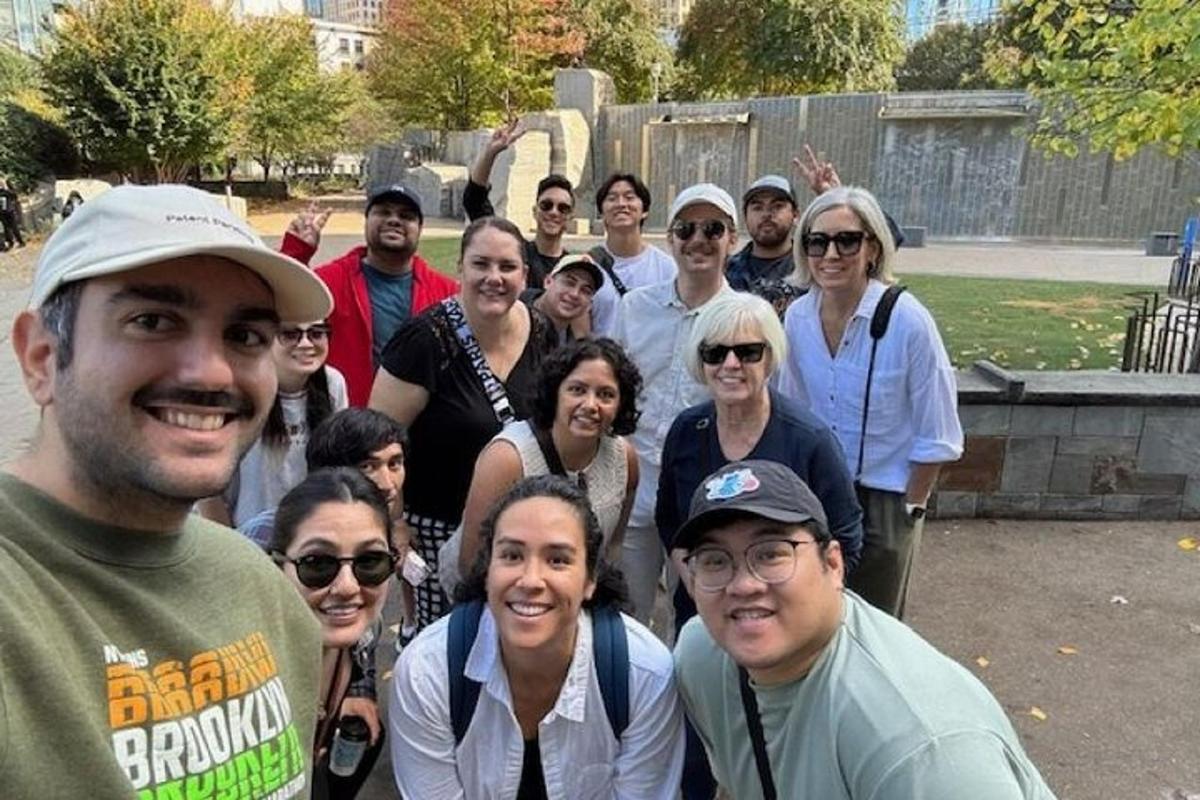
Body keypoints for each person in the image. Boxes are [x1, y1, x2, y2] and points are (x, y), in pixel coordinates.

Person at [1, 184, 332, 797]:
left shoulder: (263, 588)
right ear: (42, 358)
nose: (210, 373)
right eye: (152, 321)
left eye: (246, 336)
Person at [671, 459, 1057, 799]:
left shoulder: (923, 749)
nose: (743, 585)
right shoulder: (702, 654)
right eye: (715, 560)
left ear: (833, 564)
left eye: (772, 553)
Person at [390, 476, 685, 799]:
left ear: (590, 580)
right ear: (487, 570)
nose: (531, 580)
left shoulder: (643, 674)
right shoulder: (427, 671)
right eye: (512, 556)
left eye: (557, 560)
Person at [778, 186, 962, 619]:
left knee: (876, 626)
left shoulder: (908, 319)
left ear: (873, 248)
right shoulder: (799, 317)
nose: (831, 254)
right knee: (813, 618)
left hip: (885, 499)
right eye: (817, 241)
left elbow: (938, 431)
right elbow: (792, 410)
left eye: (847, 240)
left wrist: (910, 509)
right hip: (817, 493)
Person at [369, 216, 558, 629]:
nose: (494, 277)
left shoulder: (541, 330)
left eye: (507, 267)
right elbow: (377, 441)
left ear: (525, 274)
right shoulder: (424, 340)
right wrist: (394, 522)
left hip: (519, 528)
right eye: (481, 264)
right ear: (460, 269)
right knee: (444, 649)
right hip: (439, 532)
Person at [613, 183, 737, 624]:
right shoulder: (633, 308)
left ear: (732, 240)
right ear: (671, 238)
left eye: (713, 228)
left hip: (707, 491)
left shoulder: (745, 317)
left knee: (699, 617)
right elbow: (613, 389)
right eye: (686, 228)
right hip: (635, 485)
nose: (699, 239)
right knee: (626, 613)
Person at [457, 337, 641, 578]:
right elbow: (472, 563)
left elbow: (612, 547)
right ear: (555, 392)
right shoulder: (507, 458)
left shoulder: (624, 459)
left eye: (606, 395)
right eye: (577, 390)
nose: (590, 404)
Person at [270, 468, 397, 800]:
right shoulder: (246, 678)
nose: (347, 587)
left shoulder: (366, 632)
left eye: (370, 561)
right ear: (277, 566)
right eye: (317, 563)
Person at [280, 186, 459, 406]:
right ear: (366, 222)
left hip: (422, 424)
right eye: (383, 212)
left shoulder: (447, 293)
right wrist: (296, 252)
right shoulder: (329, 281)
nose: (394, 220)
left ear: (420, 229)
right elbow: (277, 307)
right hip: (346, 419)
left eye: (406, 216)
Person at [201, 320, 349, 527]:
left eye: (316, 333)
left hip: (312, 531)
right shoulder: (238, 388)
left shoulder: (333, 384)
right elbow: (206, 486)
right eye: (290, 334)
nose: (306, 343)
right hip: (244, 533)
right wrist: (228, 542)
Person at [463, 118, 576, 286]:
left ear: (570, 217)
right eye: (546, 205)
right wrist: (491, 152)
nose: (554, 212)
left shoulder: (573, 268)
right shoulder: (515, 252)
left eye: (563, 208)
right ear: (535, 211)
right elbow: (475, 201)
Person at [589, 172, 678, 336]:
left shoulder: (667, 268)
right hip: (601, 359)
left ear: (645, 210)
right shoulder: (588, 266)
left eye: (629, 197)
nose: (621, 204)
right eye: (612, 198)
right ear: (601, 212)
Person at [724, 174, 802, 315]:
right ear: (745, 216)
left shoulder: (811, 267)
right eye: (758, 207)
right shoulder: (726, 272)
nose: (766, 214)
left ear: (795, 215)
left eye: (777, 206)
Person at [523, 253, 605, 344]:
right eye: (569, 283)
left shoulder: (574, 348)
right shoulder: (513, 315)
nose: (575, 294)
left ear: (589, 305)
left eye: (585, 290)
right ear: (548, 282)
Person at [0, 177, 25, 250]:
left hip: (8, 210)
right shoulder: (3, 191)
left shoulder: (6, 188)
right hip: (4, 211)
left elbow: (14, 195)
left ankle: (19, 242)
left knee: (13, 227)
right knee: (7, 228)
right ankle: (11, 243)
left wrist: (5, 188)